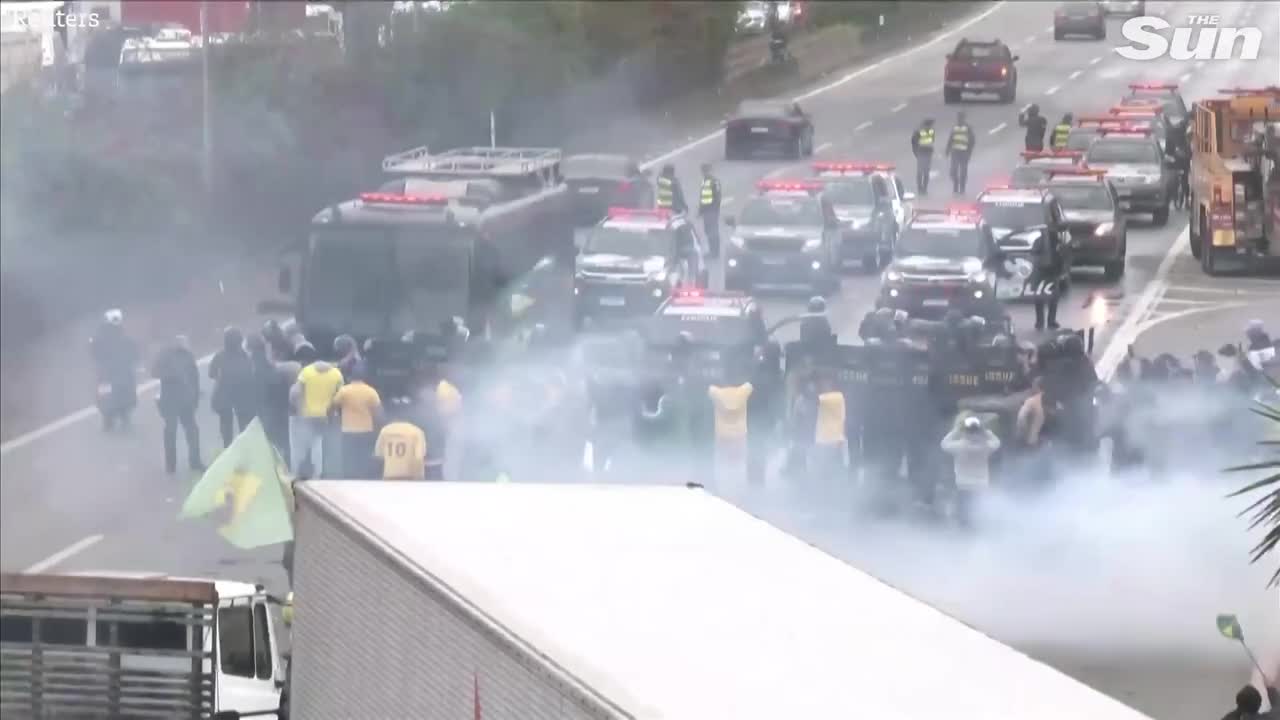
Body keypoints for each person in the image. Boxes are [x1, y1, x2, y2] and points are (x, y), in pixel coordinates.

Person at [152, 335, 203, 475]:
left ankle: (195, 461)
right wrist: (171, 375)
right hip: (170, 400)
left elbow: (195, 377)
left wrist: (196, 397)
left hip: (186, 400)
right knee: (170, 431)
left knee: (192, 430)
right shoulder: (164, 355)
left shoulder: (188, 356)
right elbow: (155, 372)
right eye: (183, 342)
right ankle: (171, 465)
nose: (185, 344)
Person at [290, 358, 343, 479]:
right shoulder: (337, 374)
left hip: (308, 415)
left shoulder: (306, 372)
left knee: (309, 444)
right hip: (328, 416)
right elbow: (340, 395)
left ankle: (306, 471)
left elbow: (296, 393)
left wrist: (299, 410)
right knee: (325, 444)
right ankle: (323, 472)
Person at [941, 415, 1001, 522]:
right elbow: (997, 442)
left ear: (965, 431)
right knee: (977, 513)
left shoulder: (959, 446)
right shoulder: (986, 446)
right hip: (981, 484)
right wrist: (986, 431)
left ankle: (963, 532)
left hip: (963, 484)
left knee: (962, 513)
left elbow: (944, 444)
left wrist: (956, 430)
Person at [90, 309, 139, 431]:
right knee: (112, 390)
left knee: (120, 388)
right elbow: (133, 352)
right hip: (111, 372)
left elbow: (93, 353)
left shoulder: (102, 337)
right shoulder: (121, 337)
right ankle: (120, 416)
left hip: (112, 372)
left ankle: (115, 416)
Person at [331, 368, 383, 478]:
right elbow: (378, 412)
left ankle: (349, 477)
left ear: (350, 377)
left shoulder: (344, 391)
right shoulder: (371, 391)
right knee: (364, 457)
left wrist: (333, 419)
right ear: (365, 378)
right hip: (366, 430)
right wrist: (378, 427)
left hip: (348, 430)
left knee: (348, 457)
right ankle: (363, 477)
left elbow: (333, 406)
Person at [209, 327, 255, 448]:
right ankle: (245, 450)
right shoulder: (244, 356)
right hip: (242, 397)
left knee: (226, 430)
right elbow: (250, 373)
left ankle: (229, 451)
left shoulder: (219, 356)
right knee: (244, 426)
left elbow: (211, 373)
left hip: (225, 397)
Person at [708, 375, 754, 491]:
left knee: (723, 462)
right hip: (740, 434)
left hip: (722, 434)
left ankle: (724, 487)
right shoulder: (743, 392)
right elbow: (749, 385)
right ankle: (738, 487)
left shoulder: (716, 393)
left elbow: (710, 389)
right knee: (739, 462)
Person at [747, 342, 783, 487]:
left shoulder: (757, 371)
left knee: (755, 447)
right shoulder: (777, 374)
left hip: (755, 414)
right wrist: (779, 418)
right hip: (767, 416)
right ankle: (758, 479)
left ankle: (755, 478)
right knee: (760, 447)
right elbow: (779, 398)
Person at [811, 373, 847, 483]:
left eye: (827, 383)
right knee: (825, 463)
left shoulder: (831, 398)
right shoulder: (837, 397)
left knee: (830, 463)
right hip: (825, 437)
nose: (824, 385)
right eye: (823, 383)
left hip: (831, 437)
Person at [1029, 228, 1062, 331]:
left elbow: (1061, 256)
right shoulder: (1051, 241)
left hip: (1048, 271)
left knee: (1050, 297)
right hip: (1043, 271)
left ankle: (1044, 321)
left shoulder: (1054, 241)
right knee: (1045, 297)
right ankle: (1045, 321)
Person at [946, 111, 976, 195]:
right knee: (953, 171)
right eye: (958, 117)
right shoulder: (955, 127)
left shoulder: (968, 128)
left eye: (961, 117)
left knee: (963, 171)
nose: (959, 119)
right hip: (955, 152)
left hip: (964, 153)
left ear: (963, 118)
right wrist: (947, 150)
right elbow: (951, 139)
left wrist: (969, 151)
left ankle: (962, 188)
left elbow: (972, 141)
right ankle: (955, 185)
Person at [698, 162, 723, 258]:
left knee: (713, 231)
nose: (705, 173)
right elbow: (703, 197)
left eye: (706, 171)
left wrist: (714, 210)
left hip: (712, 211)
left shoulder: (714, 181)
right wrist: (701, 210)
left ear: (710, 171)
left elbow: (717, 197)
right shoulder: (704, 181)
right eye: (704, 171)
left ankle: (715, 252)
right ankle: (712, 251)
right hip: (706, 211)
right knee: (708, 231)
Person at [1015, 376, 1046, 448]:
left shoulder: (1031, 401)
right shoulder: (1053, 400)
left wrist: (1023, 433)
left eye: (1033, 386)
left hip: (1033, 443)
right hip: (1053, 443)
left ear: (1037, 387)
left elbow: (1021, 418)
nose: (1032, 388)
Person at [910, 118, 937, 195]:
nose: (931, 127)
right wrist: (915, 152)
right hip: (921, 153)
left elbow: (932, 140)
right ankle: (920, 188)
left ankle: (924, 188)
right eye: (930, 125)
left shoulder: (932, 131)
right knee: (920, 171)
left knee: (926, 172)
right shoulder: (919, 131)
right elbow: (914, 142)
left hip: (928, 153)